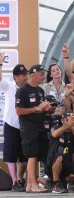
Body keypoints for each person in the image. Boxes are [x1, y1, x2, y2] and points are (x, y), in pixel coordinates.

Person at [15, 64, 52, 193]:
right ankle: (33, 185)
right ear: (33, 75)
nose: (44, 77)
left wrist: (48, 108)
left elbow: (41, 110)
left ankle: (30, 185)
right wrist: (36, 108)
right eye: (42, 74)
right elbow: (19, 110)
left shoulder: (40, 91)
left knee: (37, 156)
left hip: (40, 127)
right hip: (29, 128)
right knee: (32, 155)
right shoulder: (23, 90)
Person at [0, 58, 28, 192]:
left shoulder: (28, 88)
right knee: (11, 155)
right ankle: (15, 181)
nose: (25, 77)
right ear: (15, 77)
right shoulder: (9, 86)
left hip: (24, 126)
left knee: (24, 157)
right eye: (22, 75)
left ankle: (20, 178)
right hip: (11, 124)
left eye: (26, 74)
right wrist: (0, 63)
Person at [47, 110, 74, 194]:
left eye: (73, 120)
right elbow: (54, 134)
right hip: (52, 163)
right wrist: (66, 126)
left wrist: (72, 127)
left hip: (66, 164)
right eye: (68, 119)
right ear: (62, 120)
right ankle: (56, 185)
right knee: (59, 156)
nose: (71, 122)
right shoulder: (56, 127)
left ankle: (62, 181)